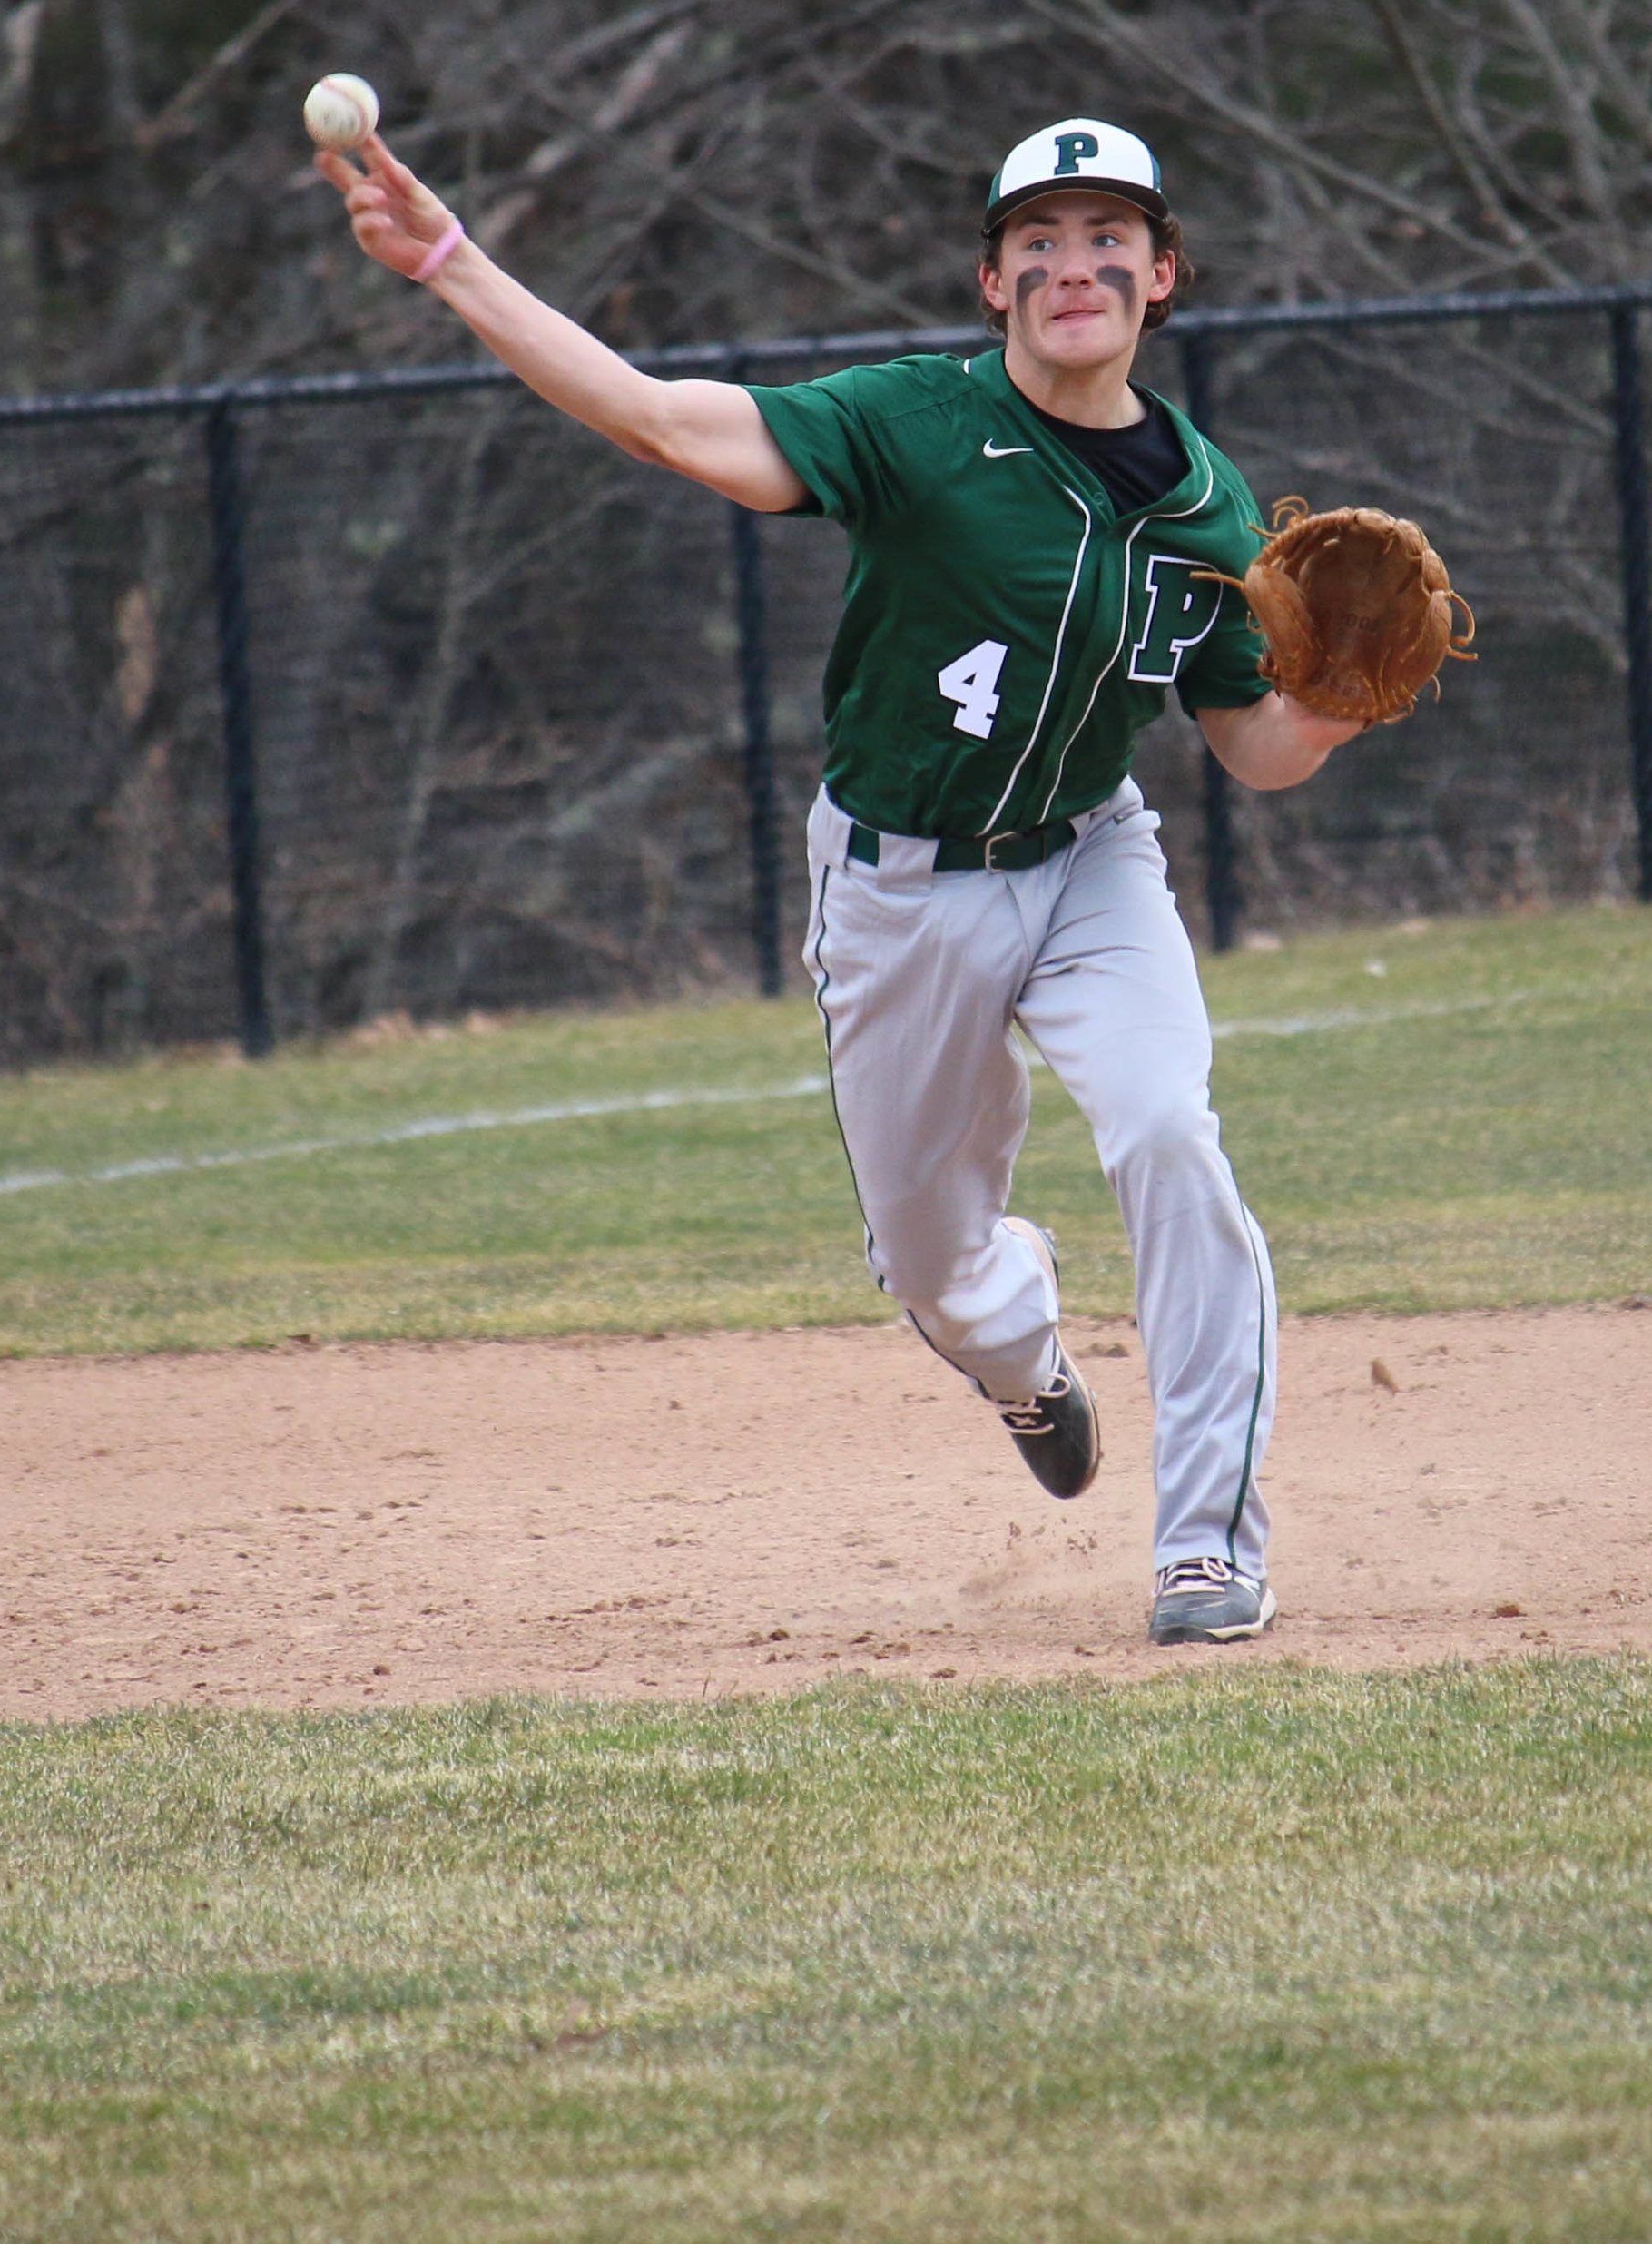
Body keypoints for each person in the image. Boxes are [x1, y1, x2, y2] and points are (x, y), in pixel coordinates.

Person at [315, 110, 1373, 1644]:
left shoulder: (1209, 508)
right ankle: (1024, 1362)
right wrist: (456, 265)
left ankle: (1207, 1542)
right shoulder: (912, 426)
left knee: (1170, 1137)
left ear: (1161, 277)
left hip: (1090, 865)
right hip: (900, 890)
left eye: (1107, 241)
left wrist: (1334, 705)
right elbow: (663, 422)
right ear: (994, 282)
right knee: (937, 1270)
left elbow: (1252, 748)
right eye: (1039, 244)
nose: (1073, 265)